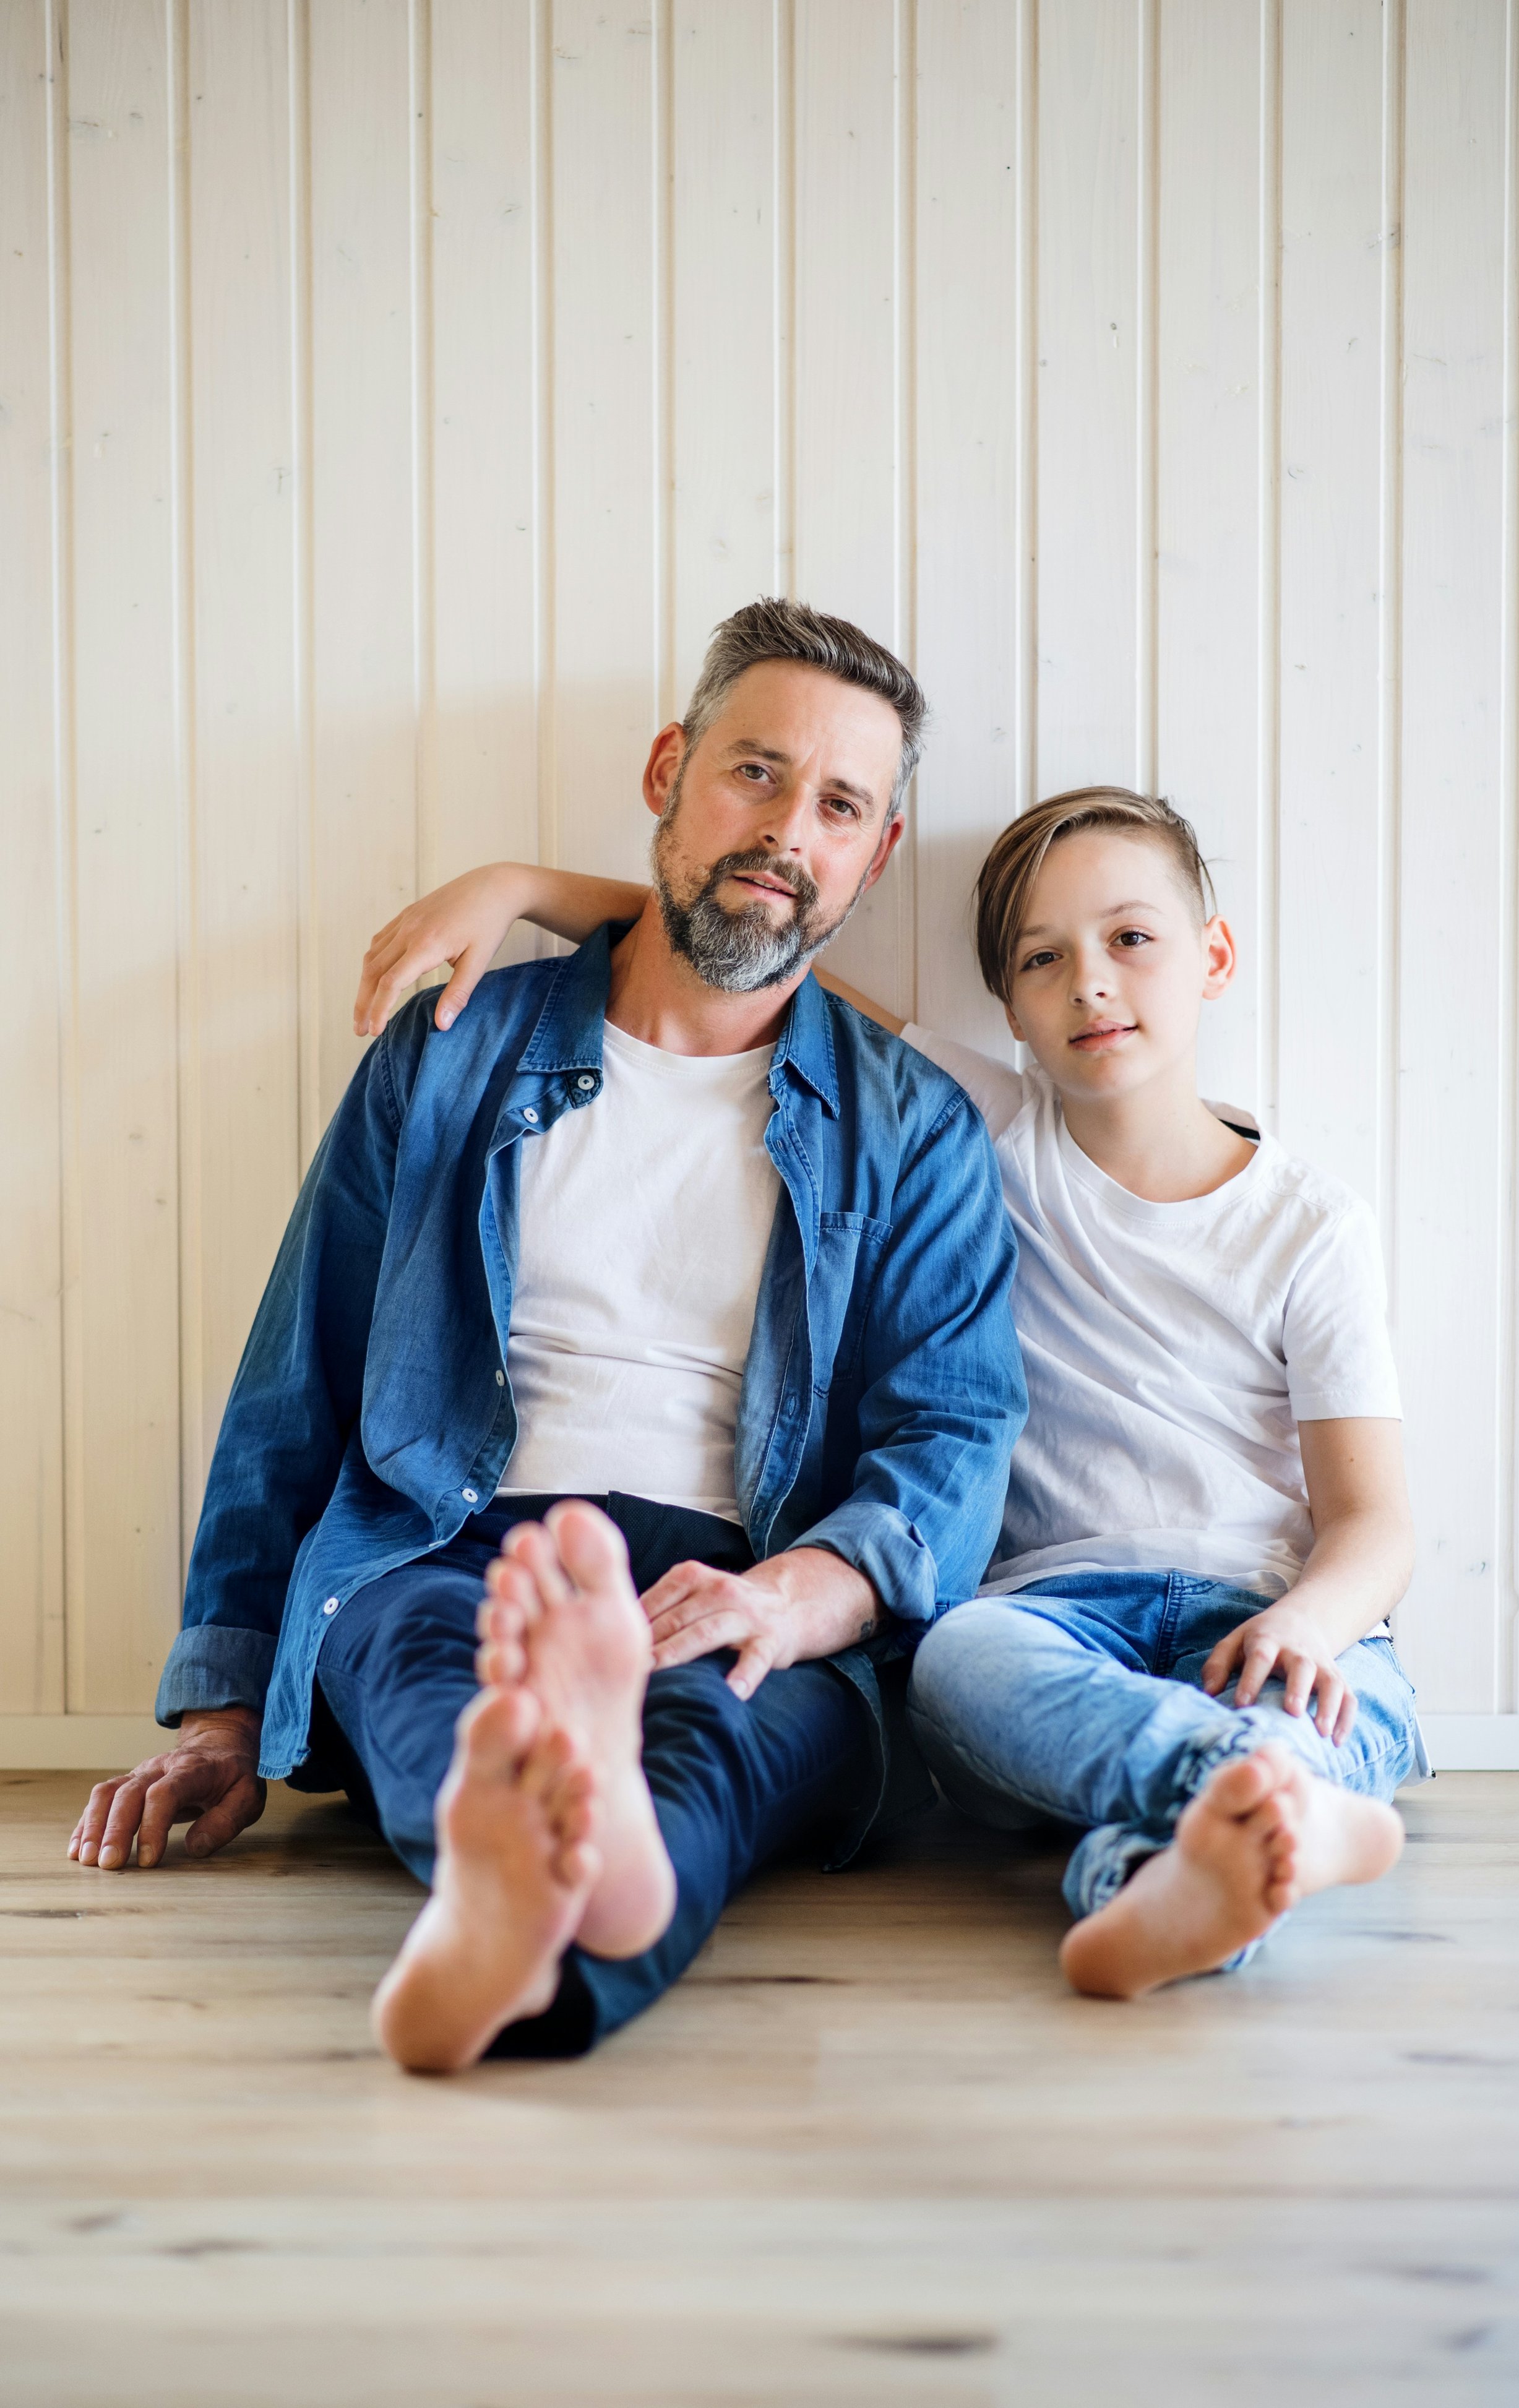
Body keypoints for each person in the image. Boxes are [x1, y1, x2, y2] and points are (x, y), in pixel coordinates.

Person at [67, 598, 1025, 2070]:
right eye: (753, 773)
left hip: (745, 1568)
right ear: (667, 771)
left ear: (875, 854)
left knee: (723, 1730)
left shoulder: (914, 1130)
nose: (786, 832)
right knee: (431, 1682)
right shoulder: (453, 1054)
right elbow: (298, 1380)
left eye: (838, 804)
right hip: (459, 1544)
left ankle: (523, 1914)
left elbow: (952, 1435)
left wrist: (795, 1599)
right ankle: (574, 1878)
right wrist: (219, 1709)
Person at [358, 785, 1426, 2002]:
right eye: (1042, 958)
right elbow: (755, 956)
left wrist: (1308, 1624)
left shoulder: (1310, 1227)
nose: (1088, 982)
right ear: (1011, 1012)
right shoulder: (979, 1130)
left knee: (1324, 1705)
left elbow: (1373, 1522)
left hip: (1269, 1618)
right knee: (954, 1663)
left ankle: (1176, 1870)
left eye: (1130, 939)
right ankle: (1279, 1811)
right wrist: (525, 889)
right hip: (1050, 1625)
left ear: (1212, 956)